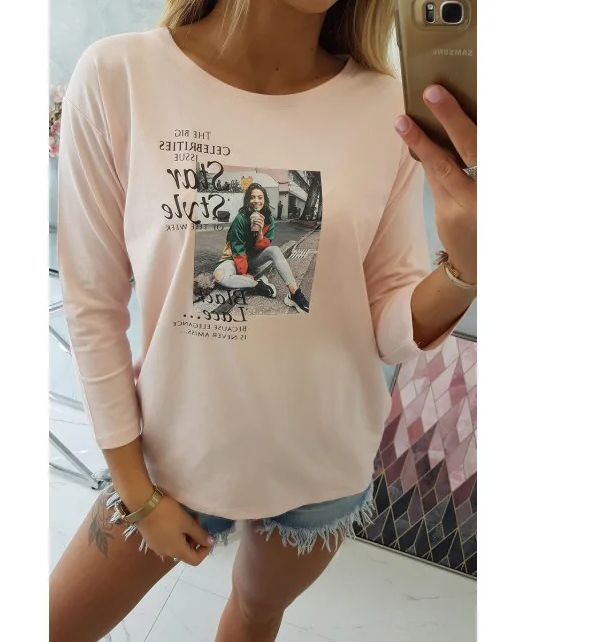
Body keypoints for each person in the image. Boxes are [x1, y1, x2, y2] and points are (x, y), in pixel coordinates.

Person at [51, 1, 477, 641]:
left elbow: (388, 329)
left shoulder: (385, 108)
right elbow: (92, 304)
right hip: (172, 458)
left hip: (321, 462)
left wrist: (466, 268)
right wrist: (137, 491)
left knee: (255, 614)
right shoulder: (120, 77)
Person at [213, 182, 310, 313]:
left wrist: (259, 234)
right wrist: (243, 274)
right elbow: (237, 249)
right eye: (252, 197)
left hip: (252, 258)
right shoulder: (240, 219)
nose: (256, 201)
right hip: (234, 259)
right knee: (219, 275)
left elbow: (265, 246)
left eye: (260, 197)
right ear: (248, 200)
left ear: (265, 200)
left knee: (274, 250)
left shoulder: (269, 219)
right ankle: (258, 285)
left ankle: (294, 293)